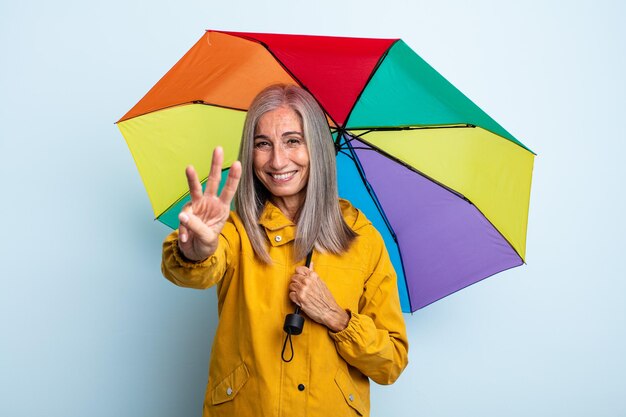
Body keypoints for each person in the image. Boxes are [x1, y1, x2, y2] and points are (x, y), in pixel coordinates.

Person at [161, 84, 408, 417]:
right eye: (263, 144)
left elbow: (390, 363)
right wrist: (196, 250)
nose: (277, 160)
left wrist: (336, 318)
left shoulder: (362, 238)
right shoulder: (236, 231)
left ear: (317, 148)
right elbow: (200, 269)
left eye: (293, 141)